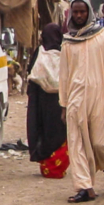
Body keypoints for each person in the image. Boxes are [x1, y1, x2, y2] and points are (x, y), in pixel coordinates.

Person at [60, 0, 104, 203]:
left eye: (82, 12)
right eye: (76, 12)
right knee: (77, 144)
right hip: (75, 99)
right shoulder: (68, 41)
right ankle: (84, 187)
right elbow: (64, 75)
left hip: (100, 98)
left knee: (98, 144)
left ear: (89, 12)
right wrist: (63, 105)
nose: (79, 16)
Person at [26, 24, 68, 178]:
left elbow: (31, 73)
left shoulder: (40, 52)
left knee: (42, 130)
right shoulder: (65, 53)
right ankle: (59, 165)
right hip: (60, 101)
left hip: (41, 101)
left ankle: (46, 164)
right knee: (60, 132)